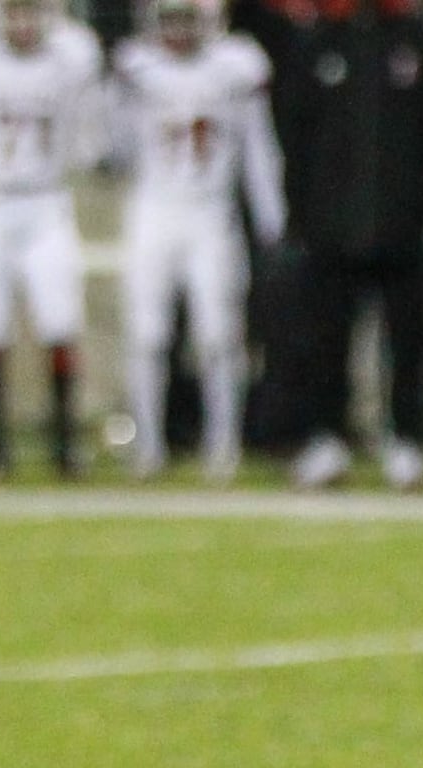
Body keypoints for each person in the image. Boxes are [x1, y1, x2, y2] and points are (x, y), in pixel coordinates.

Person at [276, 0, 423, 492]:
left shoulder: (414, 43)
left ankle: (405, 439)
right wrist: (303, 211)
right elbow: (293, 133)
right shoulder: (319, 44)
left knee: (407, 340)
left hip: (400, 223)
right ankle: (327, 438)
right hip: (330, 226)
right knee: (326, 339)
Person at [111, 0, 286, 482]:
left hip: (212, 212)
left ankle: (222, 443)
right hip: (153, 207)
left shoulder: (236, 65)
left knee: (218, 335)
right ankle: (148, 446)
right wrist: (120, 100)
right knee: (146, 334)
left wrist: (272, 216)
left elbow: (258, 148)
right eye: (170, 19)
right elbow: (115, 151)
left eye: (188, 18)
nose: (179, 30)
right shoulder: (137, 68)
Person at [0, 0, 104, 478]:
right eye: (13, 11)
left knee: (60, 320)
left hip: (46, 201)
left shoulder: (71, 54)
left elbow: (88, 136)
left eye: (30, 11)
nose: (22, 22)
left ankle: (65, 443)